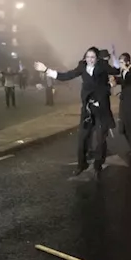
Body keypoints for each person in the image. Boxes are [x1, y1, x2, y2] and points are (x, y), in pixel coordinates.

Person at [35, 47, 116, 180]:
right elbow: (66, 76)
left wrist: (114, 81)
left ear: (97, 59)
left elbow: (116, 72)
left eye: (93, 57)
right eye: (88, 57)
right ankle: (81, 164)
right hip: (88, 109)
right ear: (85, 58)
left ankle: (97, 165)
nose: (90, 59)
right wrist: (46, 70)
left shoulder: (103, 67)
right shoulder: (82, 67)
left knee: (100, 139)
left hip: (101, 108)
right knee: (82, 138)